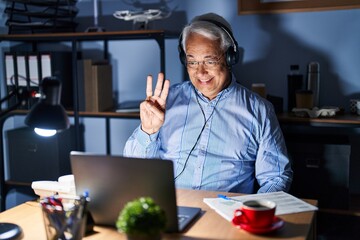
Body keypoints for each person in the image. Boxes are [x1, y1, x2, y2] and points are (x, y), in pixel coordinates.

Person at [124, 13, 293, 194]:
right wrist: (147, 131)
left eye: (210, 61)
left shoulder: (259, 110)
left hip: (227, 215)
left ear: (230, 58)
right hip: (172, 210)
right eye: (192, 62)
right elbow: (134, 169)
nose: (201, 72)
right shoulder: (165, 102)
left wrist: (252, 213)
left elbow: (276, 177)